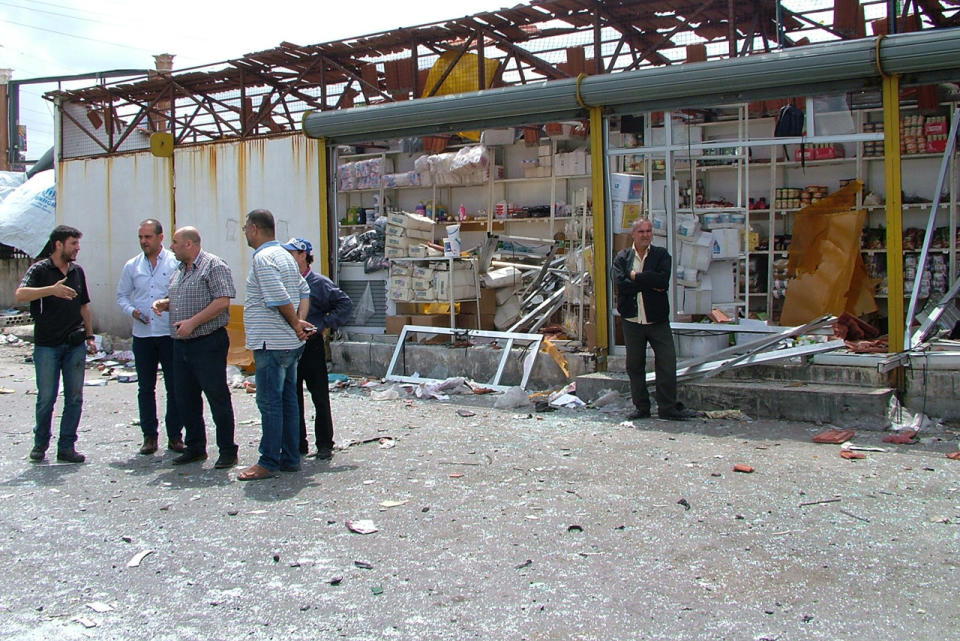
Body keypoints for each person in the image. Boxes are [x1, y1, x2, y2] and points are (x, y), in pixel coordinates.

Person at [151, 226, 239, 468]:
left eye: (175, 242)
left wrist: (192, 323)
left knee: (216, 396)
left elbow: (222, 301)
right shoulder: (180, 270)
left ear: (189, 244)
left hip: (207, 342)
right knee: (185, 397)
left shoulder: (214, 266)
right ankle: (195, 446)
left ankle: (228, 450)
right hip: (181, 344)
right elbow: (188, 298)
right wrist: (166, 304)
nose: (171, 246)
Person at [236, 210, 313, 482]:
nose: (244, 232)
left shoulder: (264, 258)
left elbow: (278, 296)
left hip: (272, 342)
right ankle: (290, 457)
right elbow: (304, 290)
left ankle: (268, 460)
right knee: (288, 400)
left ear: (255, 229)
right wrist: (300, 322)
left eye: (245, 227)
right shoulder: (285, 256)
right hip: (289, 344)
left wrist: (295, 324)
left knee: (269, 402)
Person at [15, 225, 96, 463]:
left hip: (75, 344)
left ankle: (67, 446)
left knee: (75, 397)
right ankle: (40, 444)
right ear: (59, 244)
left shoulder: (77, 272)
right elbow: (20, 294)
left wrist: (90, 336)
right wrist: (52, 290)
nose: (77, 248)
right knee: (47, 397)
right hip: (47, 345)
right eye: (73, 243)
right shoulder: (40, 269)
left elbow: (84, 306)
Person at [612, 218, 693, 421]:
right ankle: (642, 407)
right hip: (632, 320)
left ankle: (667, 407)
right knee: (635, 365)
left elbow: (662, 281)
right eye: (641, 231)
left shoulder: (661, 255)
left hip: (657, 320)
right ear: (633, 234)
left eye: (648, 231)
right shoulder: (622, 258)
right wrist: (647, 281)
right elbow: (621, 284)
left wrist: (636, 277)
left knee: (667, 362)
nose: (646, 235)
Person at [116, 219, 185, 455]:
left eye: (148, 237)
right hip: (143, 335)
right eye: (141, 238)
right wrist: (132, 311)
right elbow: (122, 296)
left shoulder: (175, 262)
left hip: (168, 333)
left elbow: (184, 291)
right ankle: (149, 436)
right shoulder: (132, 266)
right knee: (145, 387)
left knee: (174, 386)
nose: (144, 242)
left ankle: (175, 436)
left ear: (160, 237)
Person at [281, 237, 353, 459]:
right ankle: (298, 444)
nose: (289, 258)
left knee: (319, 396)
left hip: (311, 344)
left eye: (292, 253)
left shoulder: (319, 283)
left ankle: (324, 444)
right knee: (292, 397)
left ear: (303, 255)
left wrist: (324, 324)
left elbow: (345, 304)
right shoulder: (284, 281)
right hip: (289, 345)